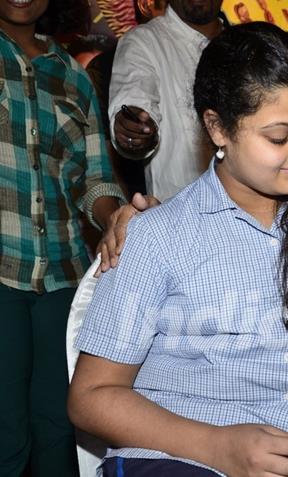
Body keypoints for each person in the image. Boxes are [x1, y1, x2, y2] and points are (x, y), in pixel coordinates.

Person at [68, 22, 288, 477]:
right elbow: (92, 396)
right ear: (218, 129)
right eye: (279, 137)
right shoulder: (160, 236)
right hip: (183, 459)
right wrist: (217, 447)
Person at [0, 0, 126, 475]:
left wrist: (116, 217)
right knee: (5, 436)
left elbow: (93, 179)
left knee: (59, 432)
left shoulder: (72, 76)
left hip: (63, 280)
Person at [108, 0, 223, 201]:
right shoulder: (144, 41)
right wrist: (133, 130)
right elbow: (135, 97)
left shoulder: (250, 44)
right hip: (184, 222)